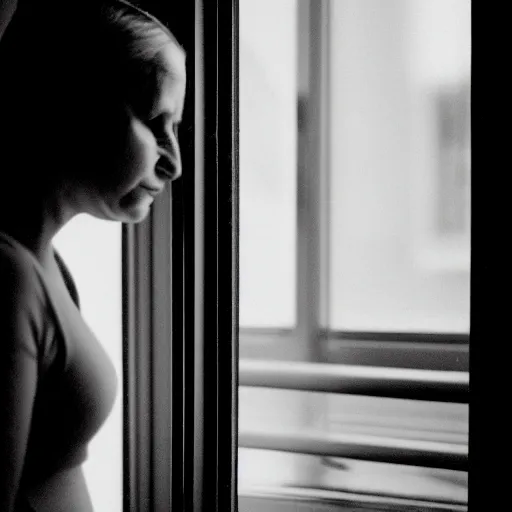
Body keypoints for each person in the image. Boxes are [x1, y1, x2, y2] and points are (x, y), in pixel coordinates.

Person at [0, 0, 186, 509]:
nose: (174, 163)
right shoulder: (7, 277)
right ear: (73, 105)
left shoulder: (48, 269)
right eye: (155, 121)